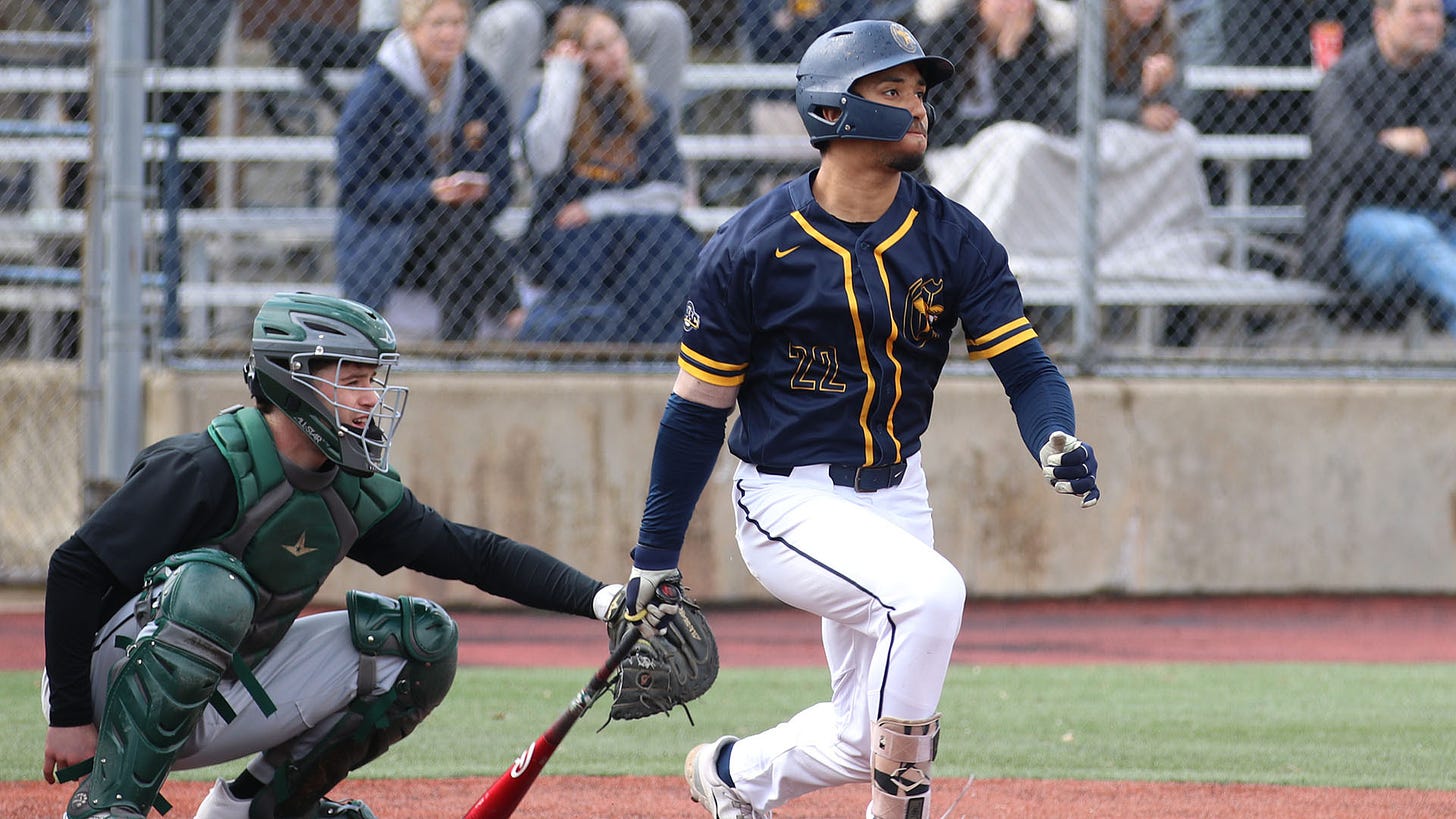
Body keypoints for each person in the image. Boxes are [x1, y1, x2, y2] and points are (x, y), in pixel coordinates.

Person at [614, 19, 1100, 818]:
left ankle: (731, 774)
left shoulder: (953, 236)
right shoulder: (750, 247)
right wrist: (653, 557)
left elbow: (1028, 369)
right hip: (785, 498)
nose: (918, 108)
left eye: (919, 91)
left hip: (897, 492)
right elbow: (695, 413)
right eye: (892, 90)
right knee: (933, 597)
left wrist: (1054, 433)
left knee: (860, 731)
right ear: (834, 112)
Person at [40, 292, 625, 819]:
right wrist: (69, 715)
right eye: (352, 378)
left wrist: (606, 601)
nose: (371, 397)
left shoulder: (351, 487)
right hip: (102, 683)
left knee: (421, 642)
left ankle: (254, 809)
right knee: (211, 590)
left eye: (374, 378)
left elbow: (473, 554)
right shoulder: (205, 466)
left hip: (221, 687)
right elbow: (74, 569)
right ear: (294, 379)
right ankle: (112, 802)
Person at [336, 0, 521, 343]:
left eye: (457, 23)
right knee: (461, 227)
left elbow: (503, 186)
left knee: (460, 234)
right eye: (438, 24)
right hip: (390, 239)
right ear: (411, 28)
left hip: (458, 235)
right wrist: (429, 192)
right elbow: (357, 196)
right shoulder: (376, 92)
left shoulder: (480, 86)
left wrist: (476, 191)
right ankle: (511, 312)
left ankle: (455, 352)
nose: (449, 33)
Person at [515, 4, 700, 344]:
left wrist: (595, 206)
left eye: (616, 41)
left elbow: (670, 193)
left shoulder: (649, 105)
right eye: (599, 47)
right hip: (575, 238)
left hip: (631, 230)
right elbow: (543, 160)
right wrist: (562, 78)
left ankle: (660, 347)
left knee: (669, 240)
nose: (614, 53)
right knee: (584, 240)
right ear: (580, 56)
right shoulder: (547, 98)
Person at [1304, 0, 1456, 332]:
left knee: (1433, 245)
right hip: (1358, 230)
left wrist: (1426, 138)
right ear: (1381, 19)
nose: (1430, 22)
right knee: (1413, 236)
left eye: (1435, 12)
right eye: (1416, 12)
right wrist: (1438, 180)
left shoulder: (1449, 73)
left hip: (1441, 216)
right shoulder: (1344, 80)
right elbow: (1359, 164)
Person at [469, 0, 690, 125]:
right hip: (536, 22)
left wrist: (599, 12)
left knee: (667, 20)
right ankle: (506, 156)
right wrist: (555, 12)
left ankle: (661, 149)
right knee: (517, 19)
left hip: (603, 14)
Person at [917, 0, 1077, 146]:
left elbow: (1027, 120)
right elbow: (936, 124)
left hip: (1008, 151)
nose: (1016, 7)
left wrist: (1009, 55)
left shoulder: (1037, 43)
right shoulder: (948, 37)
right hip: (951, 152)